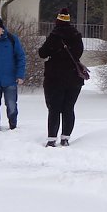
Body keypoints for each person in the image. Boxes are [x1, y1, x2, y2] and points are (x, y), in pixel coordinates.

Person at [38, 8, 85, 147]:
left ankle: (52, 139)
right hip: (73, 78)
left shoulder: (54, 35)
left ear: (57, 21)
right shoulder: (77, 35)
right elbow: (78, 53)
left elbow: (42, 53)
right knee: (68, 108)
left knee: (54, 109)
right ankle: (65, 138)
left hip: (55, 77)